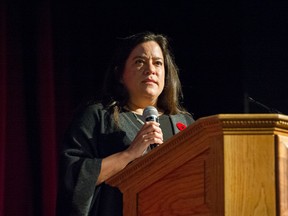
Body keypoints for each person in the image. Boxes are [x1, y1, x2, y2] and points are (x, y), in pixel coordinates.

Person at [56, 31, 195, 216]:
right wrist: (129, 155)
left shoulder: (184, 123)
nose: (150, 69)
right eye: (139, 61)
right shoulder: (98, 116)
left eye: (158, 63)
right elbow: (73, 177)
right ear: (120, 74)